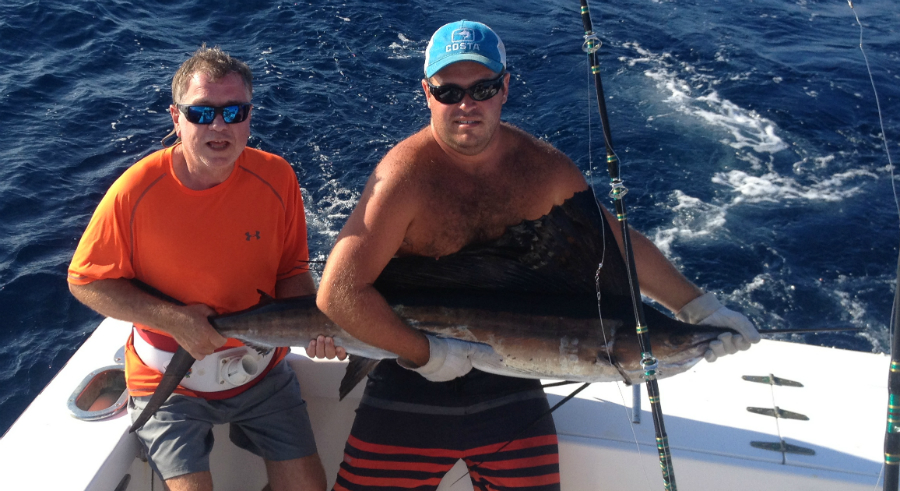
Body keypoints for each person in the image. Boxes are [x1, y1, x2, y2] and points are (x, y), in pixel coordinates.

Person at [314, 20, 760, 490]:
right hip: (411, 375)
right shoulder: (404, 179)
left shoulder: (542, 169)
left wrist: (696, 306)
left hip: (509, 380)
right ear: (427, 92)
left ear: (505, 87)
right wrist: (427, 353)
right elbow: (338, 295)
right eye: (449, 92)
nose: (466, 105)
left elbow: (615, 245)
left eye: (482, 88)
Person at [68, 45, 339, 491]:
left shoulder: (278, 177)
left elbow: (291, 270)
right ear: (176, 118)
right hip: (169, 384)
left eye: (234, 112)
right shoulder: (134, 191)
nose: (218, 125)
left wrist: (316, 329)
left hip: (263, 373)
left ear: (249, 117)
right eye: (201, 113)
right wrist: (173, 320)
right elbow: (86, 281)